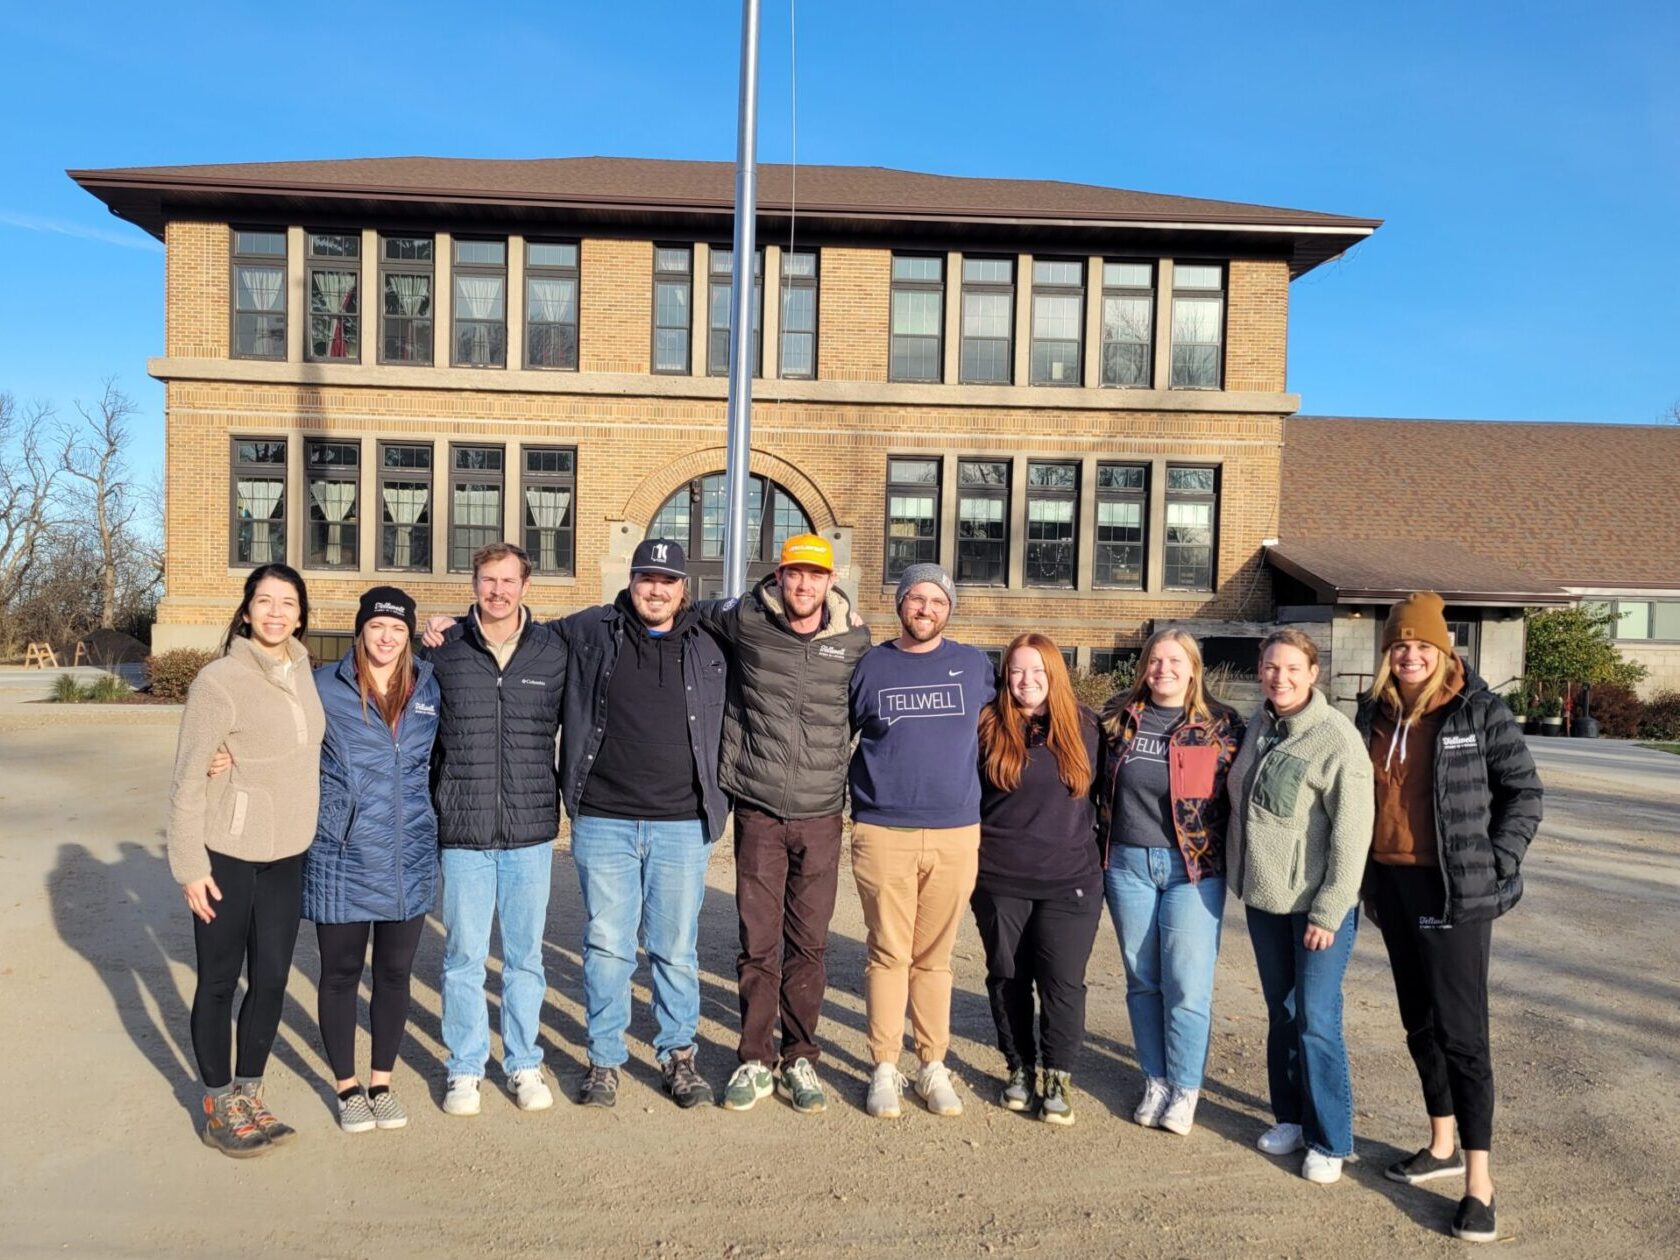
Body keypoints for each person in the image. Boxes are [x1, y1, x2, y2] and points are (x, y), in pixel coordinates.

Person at [1356, 593, 1542, 1244]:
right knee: (1419, 1022)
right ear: (1388, 653)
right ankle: (1439, 1146)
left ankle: (1479, 1183)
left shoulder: (1477, 711)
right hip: (1391, 885)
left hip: (1454, 892)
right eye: (1400, 645)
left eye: (1422, 646)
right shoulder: (1372, 713)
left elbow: (1525, 793)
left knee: (1464, 1035)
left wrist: (1495, 861)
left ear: (1443, 652)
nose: (1410, 654)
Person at [698, 534, 871, 1115]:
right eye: (794, 575)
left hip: (822, 814)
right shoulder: (746, 621)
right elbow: (677, 612)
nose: (804, 586)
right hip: (760, 809)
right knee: (759, 941)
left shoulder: (854, 641)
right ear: (779, 576)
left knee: (810, 944)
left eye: (814, 577)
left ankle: (800, 1056)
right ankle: (754, 1057)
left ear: (830, 581)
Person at [558, 539, 730, 1110]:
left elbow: (775, 617)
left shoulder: (711, 640)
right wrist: (444, 626)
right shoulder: (590, 630)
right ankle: (604, 1059)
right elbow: (515, 627)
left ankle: (678, 1055)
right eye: (646, 578)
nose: (655, 589)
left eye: (667, 580)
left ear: (684, 588)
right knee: (607, 945)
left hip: (682, 822)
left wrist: (842, 613)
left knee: (674, 948)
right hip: (605, 818)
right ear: (631, 582)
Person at [167, 563, 325, 1157]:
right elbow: (186, 778)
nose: (276, 612)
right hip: (227, 856)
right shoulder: (218, 680)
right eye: (265, 601)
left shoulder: (306, 672)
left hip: (288, 855)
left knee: (273, 978)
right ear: (246, 609)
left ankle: (249, 1090)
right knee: (216, 983)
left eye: (287, 603)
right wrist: (190, 866)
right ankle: (216, 1102)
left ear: (301, 616)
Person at [847, 562, 995, 1119]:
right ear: (900, 604)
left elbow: (1017, 719)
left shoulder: (974, 666)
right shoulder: (871, 667)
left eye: (936, 600)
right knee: (888, 952)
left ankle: (932, 1064)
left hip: (956, 831)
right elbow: (832, 729)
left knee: (934, 959)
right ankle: (884, 1065)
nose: (925, 609)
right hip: (884, 830)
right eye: (916, 599)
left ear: (948, 608)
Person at [1227, 628, 1374, 1184]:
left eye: (1291, 668)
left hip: (1318, 908)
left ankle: (1331, 1139)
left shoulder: (1336, 738)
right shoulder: (1261, 725)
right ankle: (1288, 1117)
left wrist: (1329, 910)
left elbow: (1352, 834)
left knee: (1317, 1018)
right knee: (1282, 1014)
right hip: (1267, 900)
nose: (1278, 677)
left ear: (1314, 674)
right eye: (1270, 667)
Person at [426, 543, 568, 1118]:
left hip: (530, 832)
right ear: (474, 583)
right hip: (463, 830)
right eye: (488, 580)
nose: (498, 591)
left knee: (525, 959)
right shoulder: (443, 649)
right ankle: (465, 1068)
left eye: (509, 581)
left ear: (525, 586)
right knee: (462, 956)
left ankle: (523, 1062)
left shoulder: (553, 651)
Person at [300, 587, 440, 1133]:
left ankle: (381, 1081)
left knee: (394, 973)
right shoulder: (322, 687)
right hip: (343, 853)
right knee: (339, 974)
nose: (386, 637)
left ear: (408, 635)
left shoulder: (428, 686)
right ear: (361, 630)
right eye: (378, 627)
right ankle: (347, 1086)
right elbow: (279, 740)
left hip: (408, 853)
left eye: (398, 629)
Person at [1100, 629, 1243, 1136]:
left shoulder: (1223, 725)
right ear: (1144, 666)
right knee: (1142, 981)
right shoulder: (1118, 719)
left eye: (1174, 660)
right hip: (1127, 866)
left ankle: (1185, 1088)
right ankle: (1155, 1078)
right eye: (1155, 660)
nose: (1163, 669)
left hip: (1193, 873)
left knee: (1187, 984)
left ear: (1193, 667)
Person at [970, 633, 1103, 1125]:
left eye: (1037, 672)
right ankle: (1020, 1069)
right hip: (1000, 878)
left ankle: (1058, 1075)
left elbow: (1104, 799)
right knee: (1008, 977)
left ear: (1055, 674)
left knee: (1062, 983)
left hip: (1071, 881)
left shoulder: (1087, 728)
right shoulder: (986, 724)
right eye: (1017, 671)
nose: (1026, 681)